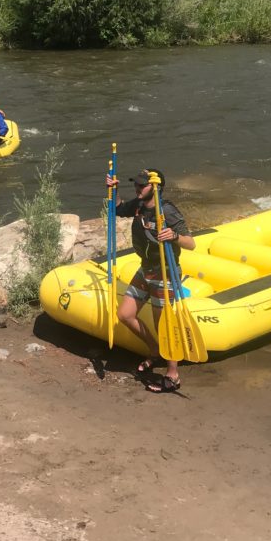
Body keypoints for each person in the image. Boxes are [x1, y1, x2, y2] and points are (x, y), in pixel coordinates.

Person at [108, 168, 195, 393]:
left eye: (141, 185)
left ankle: (173, 375)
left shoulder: (167, 211)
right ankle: (155, 350)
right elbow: (117, 209)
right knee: (125, 314)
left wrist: (174, 236)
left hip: (164, 272)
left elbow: (191, 243)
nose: (137, 188)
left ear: (155, 187)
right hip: (145, 269)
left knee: (163, 325)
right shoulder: (138, 205)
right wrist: (114, 190)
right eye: (136, 184)